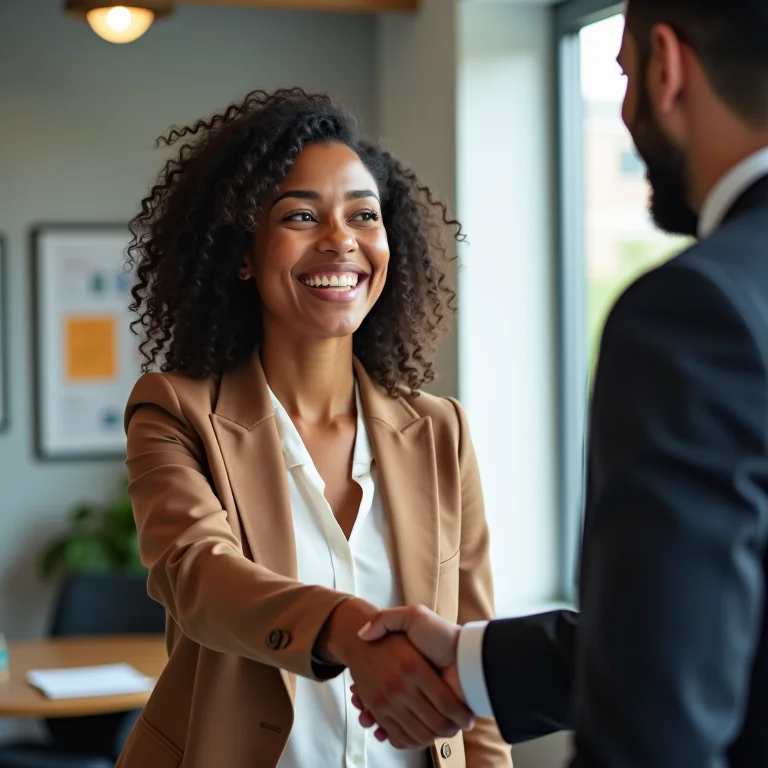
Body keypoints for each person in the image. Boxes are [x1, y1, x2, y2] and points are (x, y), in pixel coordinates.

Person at [351, 0, 768, 765]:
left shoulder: (696, 310)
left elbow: (657, 712)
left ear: (666, 67)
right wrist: (474, 662)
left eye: (622, 76)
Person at [115, 88, 510, 768]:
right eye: (302, 215)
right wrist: (350, 630)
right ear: (243, 252)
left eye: (364, 216)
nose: (340, 240)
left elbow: (474, 667)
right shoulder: (174, 413)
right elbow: (200, 578)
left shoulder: (441, 433)